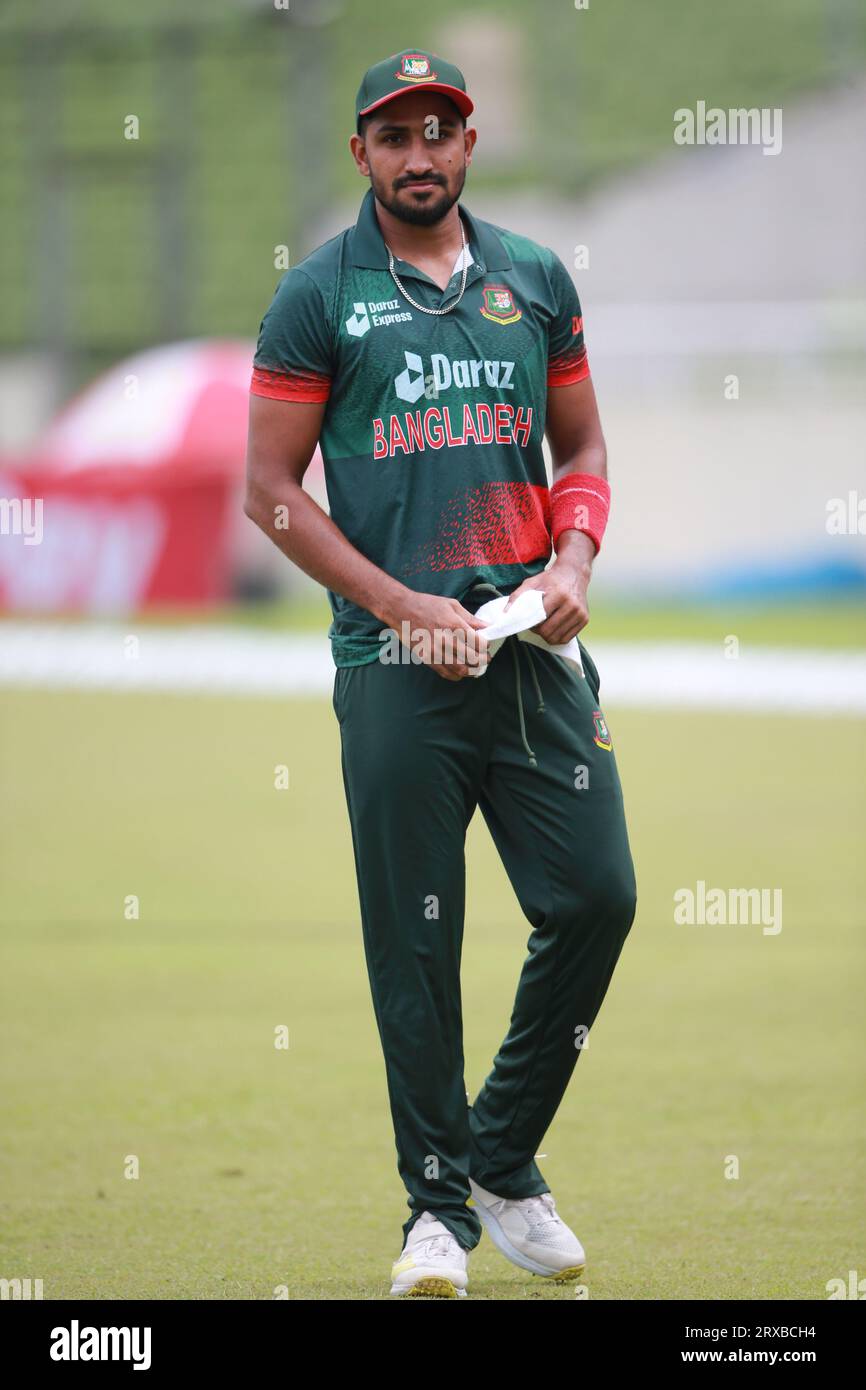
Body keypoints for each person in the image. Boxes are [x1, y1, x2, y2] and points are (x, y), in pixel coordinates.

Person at [244, 47, 637, 1299]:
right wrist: (399, 605)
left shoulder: (532, 279)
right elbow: (267, 495)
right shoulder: (317, 296)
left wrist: (573, 558)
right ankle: (434, 1215)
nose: (419, 154)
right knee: (415, 948)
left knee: (595, 896)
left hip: (527, 658)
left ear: (468, 146)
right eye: (393, 134)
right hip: (391, 666)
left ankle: (499, 1155)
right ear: (360, 153)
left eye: (440, 130)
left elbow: (579, 445)